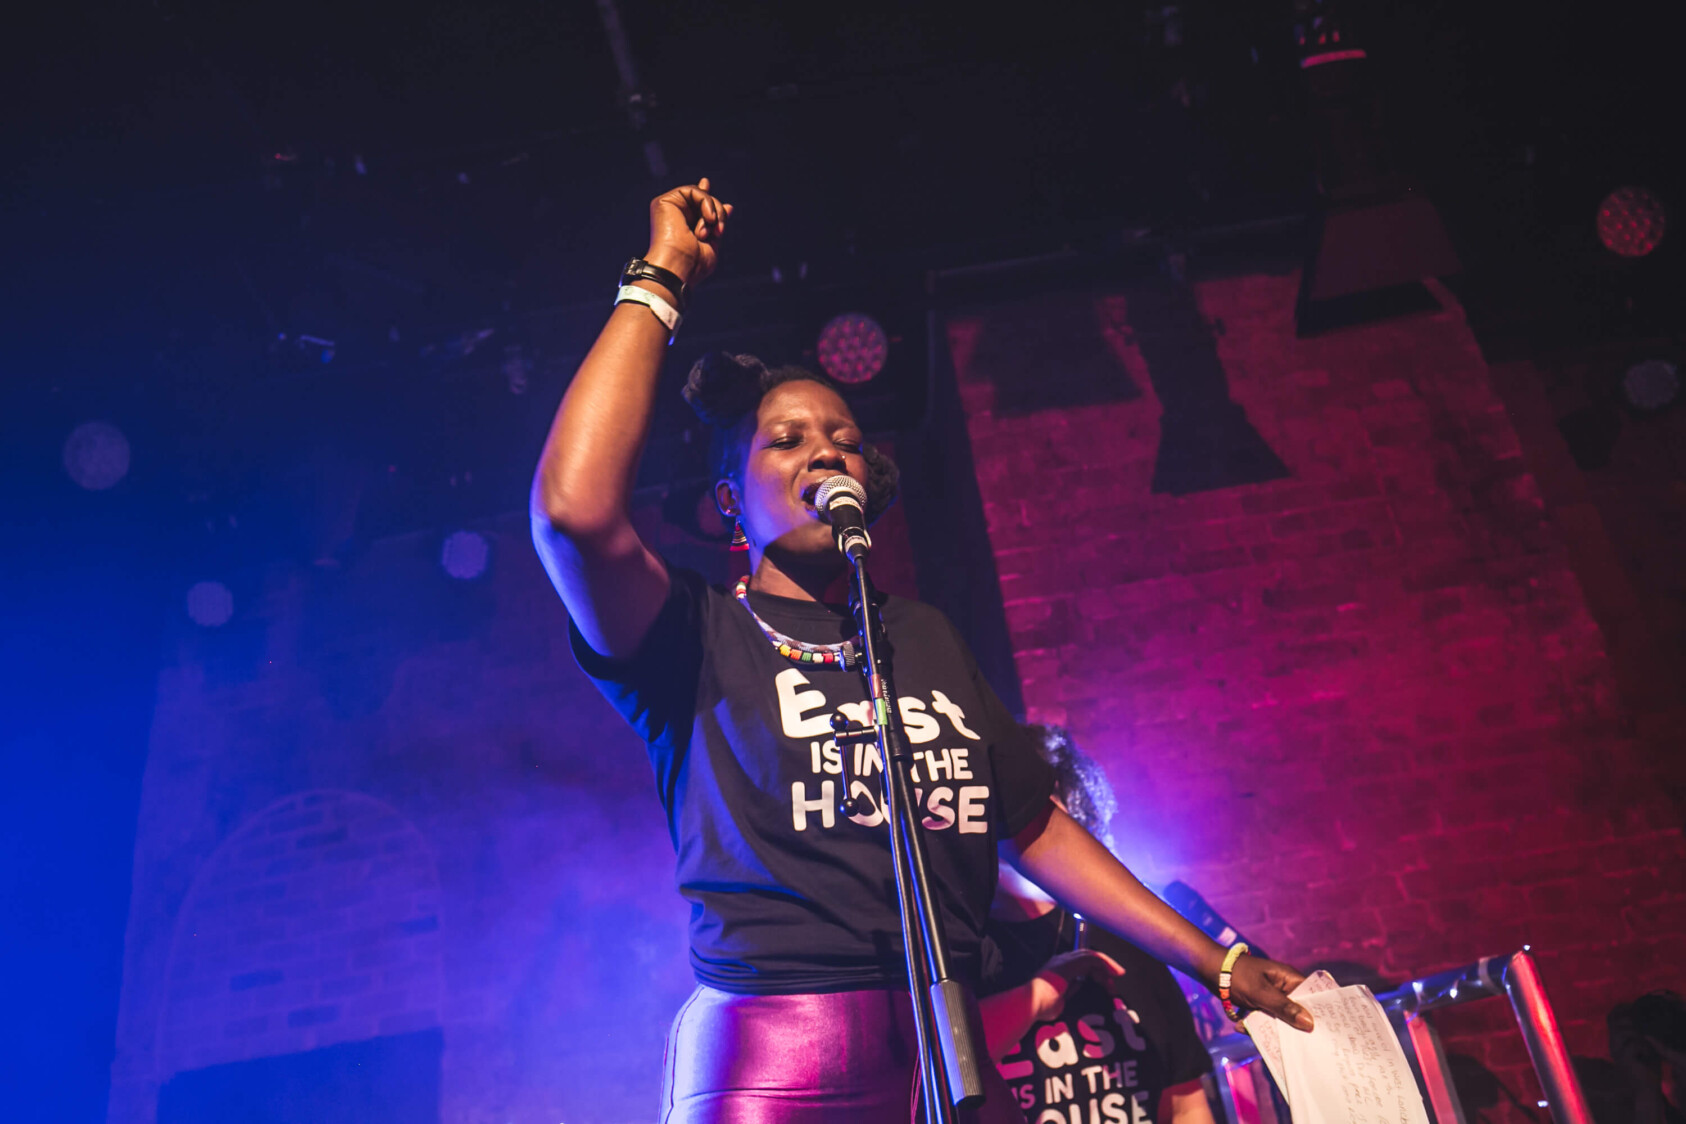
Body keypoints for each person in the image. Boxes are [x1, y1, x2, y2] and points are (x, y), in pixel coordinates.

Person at [529, 178, 1315, 1123]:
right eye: (786, 440)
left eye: (847, 440)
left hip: (947, 1047)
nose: (826, 451)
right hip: (775, 1057)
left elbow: (1033, 826)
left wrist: (1214, 958)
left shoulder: (921, 638)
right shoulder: (694, 633)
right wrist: (660, 279)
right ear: (732, 501)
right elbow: (573, 514)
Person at [976, 726, 1217, 1124]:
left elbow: (1185, 1102)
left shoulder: (1130, 934)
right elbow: (930, 1065)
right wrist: (1034, 998)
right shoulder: (956, 947)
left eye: (1042, 802)